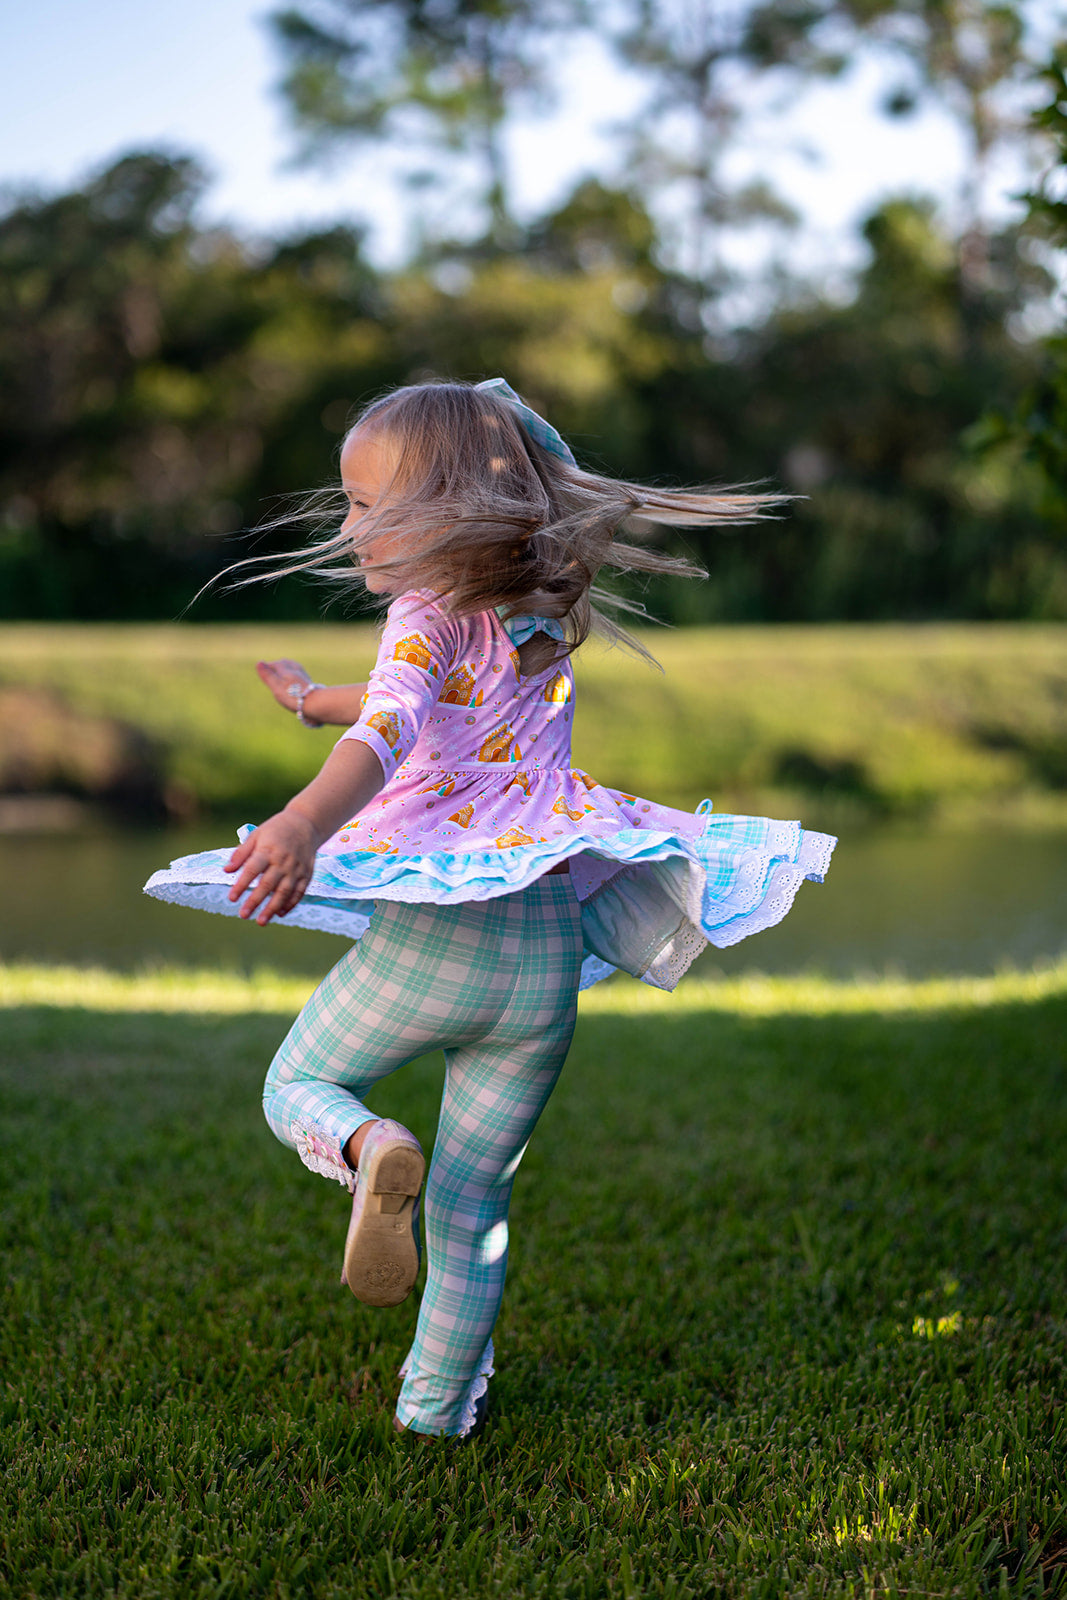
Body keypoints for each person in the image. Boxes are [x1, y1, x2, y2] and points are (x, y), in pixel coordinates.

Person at [145, 378, 835, 1441]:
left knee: (299, 1081)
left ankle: (368, 1144)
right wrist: (306, 700)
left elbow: (383, 734)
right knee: (473, 1212)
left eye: (366, 506)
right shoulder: (544, 607)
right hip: (540, 970)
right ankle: (433, 1409)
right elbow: (400, 701)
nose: (347, 528)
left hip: (440, 948)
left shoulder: (425, 616)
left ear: (443, 512)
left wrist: (298, 822)